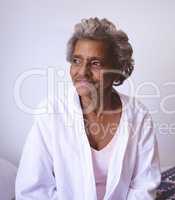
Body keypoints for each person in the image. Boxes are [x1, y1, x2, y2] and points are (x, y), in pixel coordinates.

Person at [15, 17, 161, 200]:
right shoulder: (51, 112)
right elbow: (32, 188)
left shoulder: (139, 115)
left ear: (117, 68)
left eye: (95, 63)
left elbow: (144, 186)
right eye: (76, 61)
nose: (82, 72)